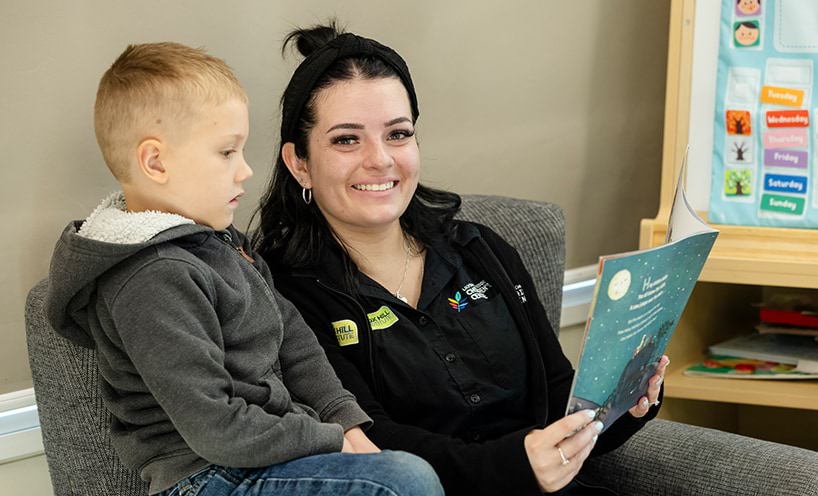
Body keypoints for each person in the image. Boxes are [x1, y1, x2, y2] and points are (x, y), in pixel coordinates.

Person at [253, 22, 667, 496]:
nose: (380, 160)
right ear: (299, 161)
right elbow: (370, 440)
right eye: (347, 139)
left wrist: (626, 402)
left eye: (398, 134)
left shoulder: (481, 249)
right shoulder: (283, 294)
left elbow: (558, 398)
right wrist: (514, 464)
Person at [44, 41, 443, 496]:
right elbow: (217, 429)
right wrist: (331, 441)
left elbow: (294, 341)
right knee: (403, 482)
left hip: (265, 454)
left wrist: (345, 420)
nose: (245, 171)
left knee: (399, 470)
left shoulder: (222, 245)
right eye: (226, 152)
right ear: (156, 162)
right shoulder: (151, 278)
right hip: (206, 476)